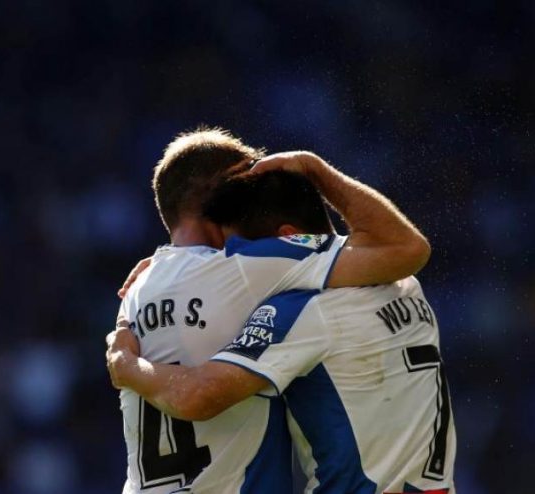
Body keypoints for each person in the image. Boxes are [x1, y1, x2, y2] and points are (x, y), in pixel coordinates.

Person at [110, 127, 431, 494]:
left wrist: (125, 363)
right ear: (221, 192)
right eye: (251, 174)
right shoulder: (252, 266)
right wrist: (312, 169)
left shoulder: (137, 290)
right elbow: (407, 250)